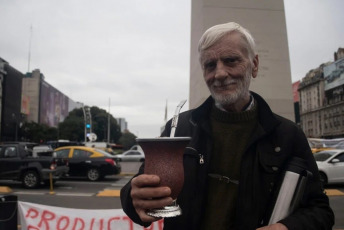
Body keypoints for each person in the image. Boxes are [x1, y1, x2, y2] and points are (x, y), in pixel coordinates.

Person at [120, 22, 334, 230]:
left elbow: (320, 211)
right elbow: (141, 189)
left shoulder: (288, 135)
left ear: (255, 65)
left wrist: (285, 227)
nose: (219, 74)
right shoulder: (180, 128)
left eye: (231, 60)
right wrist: (134, 198)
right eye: (210, 65)